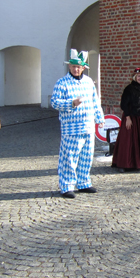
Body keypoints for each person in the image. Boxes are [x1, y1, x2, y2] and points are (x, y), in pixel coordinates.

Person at [50, 50, 105, 199]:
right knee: (69, 157)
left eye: (79, 67)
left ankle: (83, 182)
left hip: (88, 126)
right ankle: (67, 186)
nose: (76, 69)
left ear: (83, 68)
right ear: (69, 67)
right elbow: (54, 102)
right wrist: (71, 103)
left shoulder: (88, 82)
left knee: (86, 156)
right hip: (71, 127)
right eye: (73, 66)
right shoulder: (62, 83)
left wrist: (99, 117)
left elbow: (95, 100)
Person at [112, 68, 140, 171]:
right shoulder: (129, 89)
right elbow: (124, 104)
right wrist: (128, 118)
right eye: (139, 76)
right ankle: (124, 164)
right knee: (128, 142)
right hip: (132, 118)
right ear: (135, 78)